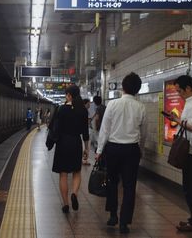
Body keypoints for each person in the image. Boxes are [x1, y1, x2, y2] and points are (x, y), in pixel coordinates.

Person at [95, 72, 146, 234]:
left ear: (123, 87)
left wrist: (99, 150)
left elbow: (105, 129)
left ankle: (112, 215)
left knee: (112, 181)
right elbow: (144, 133)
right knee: (130, 186)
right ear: (137, 90)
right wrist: (141, 150)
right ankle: (124, 222)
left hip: (113, 149)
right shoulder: (141, 107)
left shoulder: (112, 104)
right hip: (131, 150)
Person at [166, 75, 192, 232]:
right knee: (189, 187)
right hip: (190, 150)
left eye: (180, 91)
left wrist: (176, 120)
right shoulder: (191, 102)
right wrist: (177, 119)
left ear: (189, 88)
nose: (179, 94)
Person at [53, 85, 89, 214]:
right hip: (76, 142)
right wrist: (87, 149)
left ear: (69, 95)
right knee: (76, 172)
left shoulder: (61, 109)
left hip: (63, 143)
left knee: (63, 174)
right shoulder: (83, 111)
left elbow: (56, 129)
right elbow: (85, 133)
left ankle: (66, 204)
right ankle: (74, 193)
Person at [82, 99, 92, 165]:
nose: (89, 105)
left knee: (84, 147)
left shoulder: (82, 110)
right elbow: (85, 123)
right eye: (88, 103)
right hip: (84, 132)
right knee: (86, 147)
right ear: (85, 103)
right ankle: (85, 160)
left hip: (82, 131)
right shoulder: (84, 111)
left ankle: (84, 159)